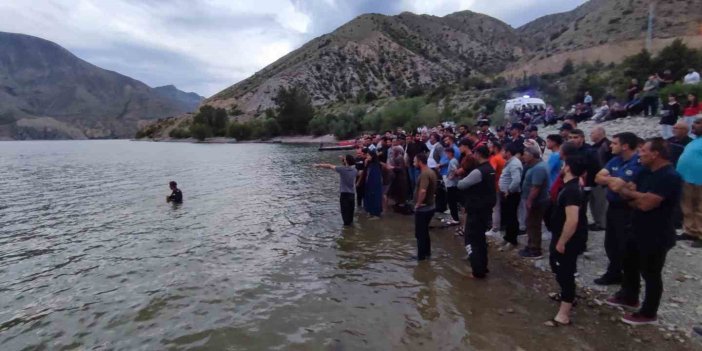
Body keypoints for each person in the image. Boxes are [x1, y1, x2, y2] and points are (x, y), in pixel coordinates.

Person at [605, 138, 682, 325]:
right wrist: (638, 196)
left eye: (643, 151)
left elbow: (646, 204)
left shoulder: (669, 176)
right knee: (629, 263)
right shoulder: (646, 172)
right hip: (636, 226)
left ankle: (648, 312)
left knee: (651, 273)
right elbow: (625, 194)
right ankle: (629, 296)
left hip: (657, 233)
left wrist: (636, 196)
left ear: (655, 154)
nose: (640, 154)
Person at [544, 155, 588, 327]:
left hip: (569, 237)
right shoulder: (573, 185)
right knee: (556, 265)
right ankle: (565, 294)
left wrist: (562, 242)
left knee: (565, 271)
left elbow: (572, 220)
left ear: (568, 168)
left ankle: (564, 314)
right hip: (560, 234)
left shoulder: (572, 190)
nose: (561, 167)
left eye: (563, 165)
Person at [593, 132, 642, 285]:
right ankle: (614, 272)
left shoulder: (637, 162)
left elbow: (614, 186)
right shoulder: (616, 159)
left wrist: (612, 181)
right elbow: (598, 177)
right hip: (613, 206)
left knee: (624, 243)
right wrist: (615, 180)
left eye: (614, 143)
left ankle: (627, 278)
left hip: (627, 208)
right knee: (611, 242)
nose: (610, 146)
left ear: (625, 146)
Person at [458, 145, 496, 279]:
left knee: (470, 240)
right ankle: (483, 267)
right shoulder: (490, 168)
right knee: (480, 240)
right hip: (485, 210)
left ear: (479, 154)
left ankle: (476, 271)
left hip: (476, 210)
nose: (473, 156)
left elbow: (461, 185)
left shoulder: (478, 171)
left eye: (475, 153)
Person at [519, 145, 551, 258]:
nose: (523, 157)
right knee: (530, 223)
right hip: (535, 200)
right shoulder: (534, 165)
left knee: (533, 224)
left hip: (537, 201)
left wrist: (529, 201)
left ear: (532, 156)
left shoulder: (539, 168)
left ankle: (535, 250)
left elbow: (536, 187)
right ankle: (530, 245)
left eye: (525, 155)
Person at [313, 154, 358, 226]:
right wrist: (344, 160)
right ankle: (351, 229)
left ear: (346, 161)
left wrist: (318, 165)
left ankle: (346, 232)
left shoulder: (342, 170)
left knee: (345, 216)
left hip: (344, 195)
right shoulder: (355, 170)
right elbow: (348, 165)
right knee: (350, 215)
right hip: (352, 194)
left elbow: (329, 166)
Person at [677, 118, 702, 247]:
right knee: (687, 206)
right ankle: (689, 231)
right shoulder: (695, 141)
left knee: (700, 207)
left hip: (700, 180)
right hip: (687, 178)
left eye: (698, 123)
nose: (694, 125)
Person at [499, 143, 523, 248]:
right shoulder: (509, 162)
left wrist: (509, 190)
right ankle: (507, 237)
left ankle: (512, 240)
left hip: (511, 195)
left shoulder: (514, 164)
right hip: (506, 194)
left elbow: (516, 180)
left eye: (503, 151)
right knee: (507, 217)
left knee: (512, 217)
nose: (501, 153)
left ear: (508, 152)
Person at [413, 153, 437, 261]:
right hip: (430, 206)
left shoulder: (424, 174)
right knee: (425, 232)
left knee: (420, 234)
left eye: (415, 161)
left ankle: (421, 257)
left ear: (420, 162)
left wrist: (418, 204)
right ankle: (427, 253)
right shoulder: (431, 171)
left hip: (423, 208)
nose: (413, 163)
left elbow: (423, 191)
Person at [588, 127, 612, 231]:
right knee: (595, 202)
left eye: (592, 133)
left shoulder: (606, 145)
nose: (591, 135)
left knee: (601, 202)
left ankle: (602, 223)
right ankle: (597, 221)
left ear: (600, 133)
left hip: (602, 178)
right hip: (594, 178)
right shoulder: (595, 146)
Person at [486, 141, 506, 237]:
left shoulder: (495, 159)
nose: (489, 150)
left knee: (495, 208)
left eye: (490, 148)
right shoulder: (503, 157)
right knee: (500, 207)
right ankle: (500, 226)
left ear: (495, 148)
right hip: (503, 185)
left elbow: (491, 172)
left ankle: (495, 229)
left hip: (496, 185)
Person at [363, 150, 383, 218]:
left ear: (372, 156)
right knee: (369, 198)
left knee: (375, 198)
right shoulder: (369, 163)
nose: (367, 157)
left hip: (374, 185)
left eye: (368, 155)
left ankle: (376, 214)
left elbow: (376, 176)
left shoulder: (376, 164)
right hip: (368, 184)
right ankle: (370, 212)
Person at [444, 147, 460, 225]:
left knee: (452, 202)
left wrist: (451, 177)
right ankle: (453, 217)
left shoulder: (452, 161)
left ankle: (455, 219)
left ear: (450, 153)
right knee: (452, 201)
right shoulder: (454, 160)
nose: (445, 155)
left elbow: (455, 170)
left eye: (446, 153)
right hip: (453, 184)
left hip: (452, 184)